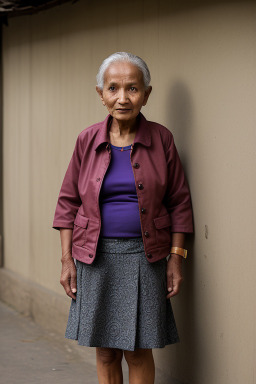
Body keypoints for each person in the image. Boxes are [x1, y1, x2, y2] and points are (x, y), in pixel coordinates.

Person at [52, 52, 193, 384]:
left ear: (146, 94)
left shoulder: (162, 139)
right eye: (113, 88)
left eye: (132, 88)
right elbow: (67, 203)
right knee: (105, 350)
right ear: (100, 94)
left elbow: (180, 204)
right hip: (95, 257)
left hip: (146, 257)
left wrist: (176, 258)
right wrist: (66, 259)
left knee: (138, 349)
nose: (122, 97)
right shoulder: (87, 140)